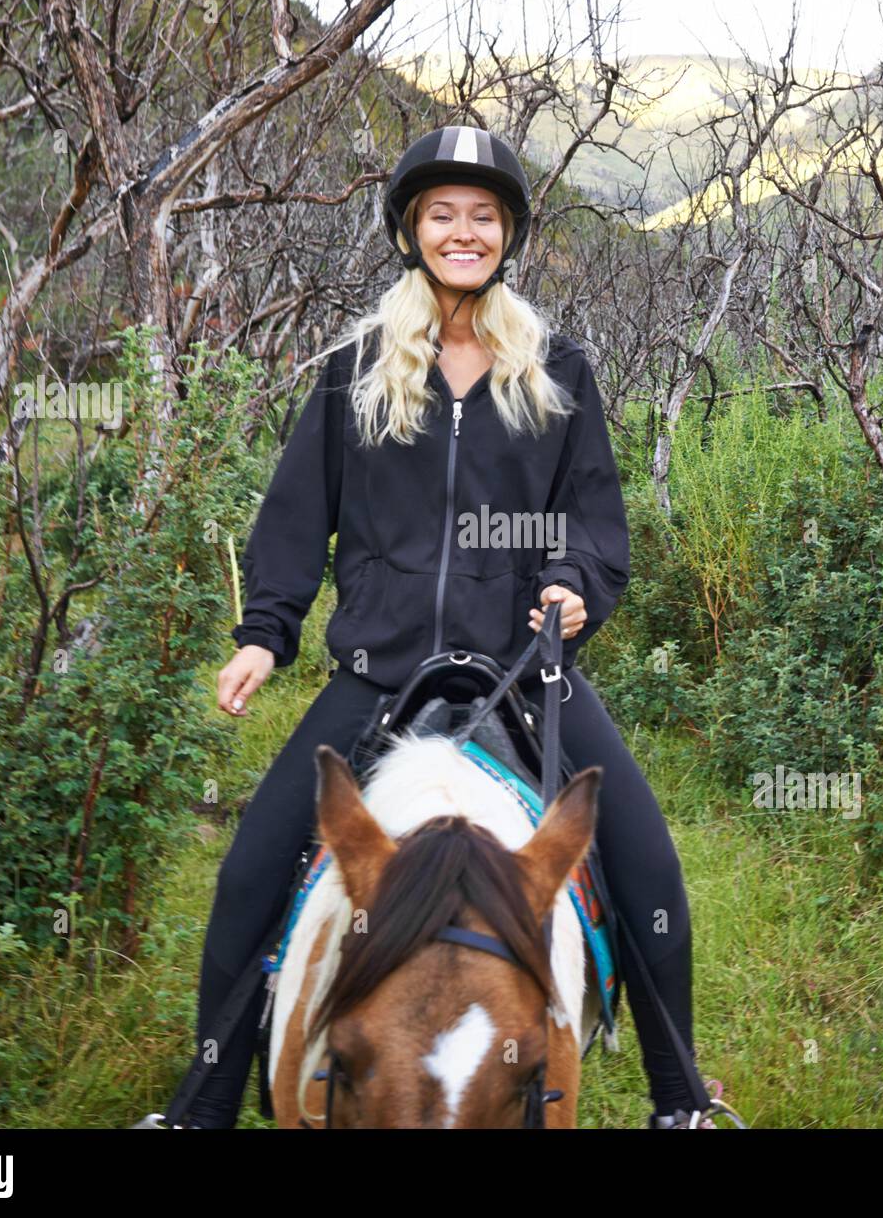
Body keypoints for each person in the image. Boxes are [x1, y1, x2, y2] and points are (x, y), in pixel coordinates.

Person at [180, 125, 701, 1128]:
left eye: (483, 216)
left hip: (524, 671)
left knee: (648, 864)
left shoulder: (559, 373)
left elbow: (593, 527)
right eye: (442, 214)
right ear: (411, 229)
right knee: (252, 869)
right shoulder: (353, 371)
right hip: (378, 671)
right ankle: (202, 1103)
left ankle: (678, 1098)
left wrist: (571, 587)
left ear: (508, 234)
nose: (463, 232)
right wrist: (264, 631)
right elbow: (296, 516)